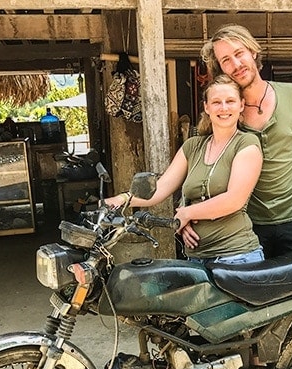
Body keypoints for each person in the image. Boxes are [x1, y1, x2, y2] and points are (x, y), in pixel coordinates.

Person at [183, 23, 292, 259]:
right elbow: (202, 166)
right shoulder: (227, 114)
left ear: (253, 52)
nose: (236, 64)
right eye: (226, 60)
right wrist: (187, 217)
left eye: (239, 53)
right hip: (245, 228)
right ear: (220, 69)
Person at [107, 74, 263, 268]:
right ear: (206, 107)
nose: (223, 107)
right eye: (216, 102)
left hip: (236, 257)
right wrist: (121, 199)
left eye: (230, 101)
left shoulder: (247, 144)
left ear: (241, 105)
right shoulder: (192, 146)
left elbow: (234, 200)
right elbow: (161, 188)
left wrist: (186, 214)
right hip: (196, 259)